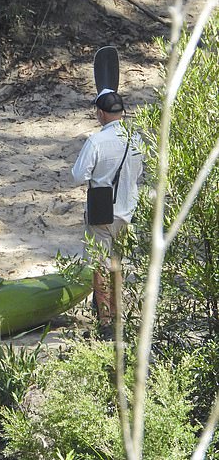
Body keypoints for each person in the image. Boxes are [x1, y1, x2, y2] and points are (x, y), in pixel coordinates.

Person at [71, 88, 143, 340]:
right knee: (117, 267)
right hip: (127, 211)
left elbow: (79, 176)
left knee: (99, 268)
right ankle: (118, 315)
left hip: (102, 211)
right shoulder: (136, 139)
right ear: (122, 113)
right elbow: (139, 173)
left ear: (101, 114)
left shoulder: (96, 141)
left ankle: (105, 324)